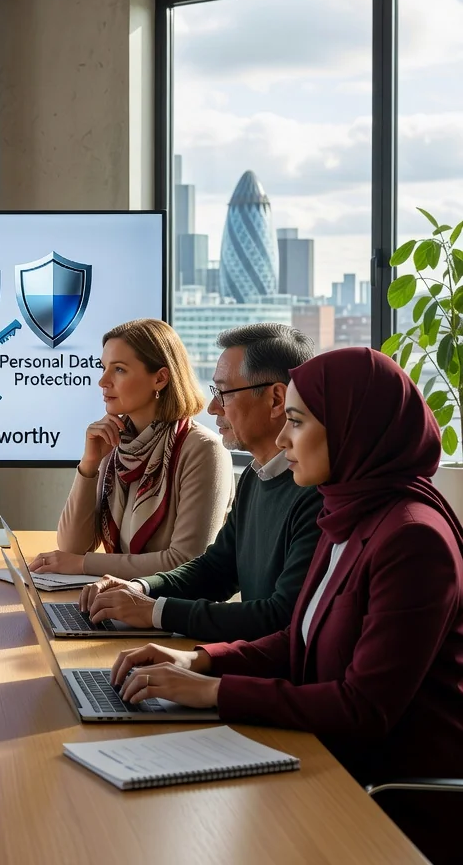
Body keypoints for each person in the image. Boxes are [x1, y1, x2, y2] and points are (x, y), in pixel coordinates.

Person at [111, 347, 463, 865]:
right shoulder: (349, 510)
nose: (281, 439)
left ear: (352, 427)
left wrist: (215, 692)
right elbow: (298, 637)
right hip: (323, 759)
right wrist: (199, 660)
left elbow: (362, 709)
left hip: (384, 800)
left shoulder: (413, 538)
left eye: (295, 422)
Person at [78, 323, 322, 642]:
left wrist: (155, 612)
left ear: (277, 399)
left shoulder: (317, 495)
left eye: (224, 392)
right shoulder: (255, 476)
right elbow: (215, 570)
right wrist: (139, 588)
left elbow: (280, 617)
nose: (212, 407)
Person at [30, 318, 232, 578]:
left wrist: (83, 566)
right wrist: (89, 465)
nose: (103, 381)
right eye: (103, 368)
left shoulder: (203, 450)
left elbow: (185, 562)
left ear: (159, 379)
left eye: (119, 370)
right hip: (118, 600)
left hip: (169, 613)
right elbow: (72, 547)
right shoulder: (116, 445)